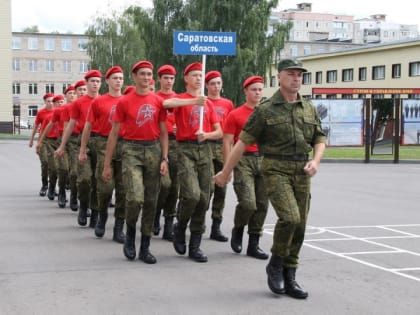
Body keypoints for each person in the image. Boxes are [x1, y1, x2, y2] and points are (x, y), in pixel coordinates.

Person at [214, 59, 326, 299]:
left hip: (302, 170)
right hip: (275, 168)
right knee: (290, 217)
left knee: (300, 225)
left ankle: (290, 274)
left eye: (300, 75)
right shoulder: (265, 110)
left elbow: (319, 138)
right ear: (280, 77)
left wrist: (315, 161)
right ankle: (275, 263)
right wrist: (225, 172)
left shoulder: (308, 108)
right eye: (291, 74)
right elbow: (242, 142)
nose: (297, 79)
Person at [102, 60, 168, 264]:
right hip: (130, 150)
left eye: (149, 74)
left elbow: (164, 131)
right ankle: (130, 235)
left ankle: (145, 247)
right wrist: (107, 164)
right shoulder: (124, 101)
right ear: (135, 76)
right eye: (143, 74)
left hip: (154, 150)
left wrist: (165, 158)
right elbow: (113, 134)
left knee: (151, 201)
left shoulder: (157, 101)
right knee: (135, 198)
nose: (147, 78)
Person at [163, 62, 222, 263]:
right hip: (185, 149)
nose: (198, 78)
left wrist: (207, 135)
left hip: (204, 148)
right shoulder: (182, 99)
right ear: (186, 79)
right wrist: (192, 102)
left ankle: (195, 245)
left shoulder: (209, 103)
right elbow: (167, 104)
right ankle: (180, 226)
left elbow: (219, 131)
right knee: (191, 194)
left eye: (200, 75)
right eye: (194, 75)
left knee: (205, 197)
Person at [223, 75, 269, 260]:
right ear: (246, 91)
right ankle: (238, 228)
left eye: (260, 89)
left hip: (264, 160)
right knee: (248, 203)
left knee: (262, 204)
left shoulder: (267, 112)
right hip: (243, 160)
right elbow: (227, 142)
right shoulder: (235, 114)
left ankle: (253, 244)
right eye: (253, 89)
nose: (257, 93)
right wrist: (227, 169)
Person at [79, 66, 126, 243]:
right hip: (102, 143)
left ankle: (118, 227)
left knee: (123, 190)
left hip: (124, 146)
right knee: (105, 187)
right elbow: (88, 127)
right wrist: (83, 150)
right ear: (107, 81)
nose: (118, 81)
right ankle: (102, 215)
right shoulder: (98, 102)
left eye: (121, 78)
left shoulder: (127, 100)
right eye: (114, 78)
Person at [55, 70, 102, 227]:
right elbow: (70, 125)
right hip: (83, 140)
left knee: (98, 181)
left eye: (98, 81)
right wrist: (62, 145)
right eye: (92, 81)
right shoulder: (78, 104)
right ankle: (83, 206)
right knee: (84, 179)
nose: (95, 84)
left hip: (102, 141)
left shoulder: (104, 100)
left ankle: (94, 212)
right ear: (86, 83)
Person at [205, 70, 234, 242]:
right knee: (206, 188)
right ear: (207, 86)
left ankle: (216, 226)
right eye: (212, 83)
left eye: (218, 83)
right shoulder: (203, 102)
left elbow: (231, 128)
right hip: (207, 146)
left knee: (221, 189)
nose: (216, 87)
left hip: (223, 146)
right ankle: (199, 222)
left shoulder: (228, 104)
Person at [153, 64, 178, 241]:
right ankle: (155, 213)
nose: (168, 81)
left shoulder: (179, 98)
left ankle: (169, 222)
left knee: (174, 187)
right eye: (165, 78)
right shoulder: (153, 98)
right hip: (158, 143)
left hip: (177, 144)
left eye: (171, 78)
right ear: (159, 79)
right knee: (164, 184)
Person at [29, 93, 54, 196]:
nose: (51, 103)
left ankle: (52, 187)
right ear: (45, 102)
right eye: (48, 101)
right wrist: (31, 140)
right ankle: (44, 185)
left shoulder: (58, 111)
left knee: (54, 166)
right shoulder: (41, 113)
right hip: (43, 140)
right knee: (45, 163)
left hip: (55, 141)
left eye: (52, 101)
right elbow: (35, 127)